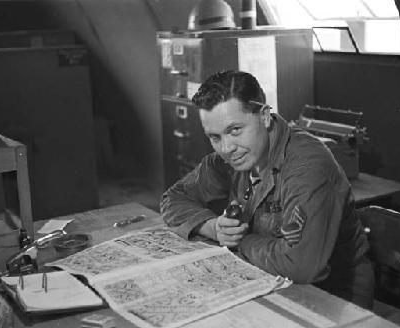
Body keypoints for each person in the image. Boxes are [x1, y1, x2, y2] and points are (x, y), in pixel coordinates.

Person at [160, 70, 374, 309]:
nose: (226, 148)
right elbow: (173, 198)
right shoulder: (234, 156)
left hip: (332, 296)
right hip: (263, 279)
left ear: (263, 116)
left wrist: (238, 241)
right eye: (214, 137)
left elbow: (300, 264)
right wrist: (212, 228)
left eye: (235, 130)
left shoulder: (307, 165)